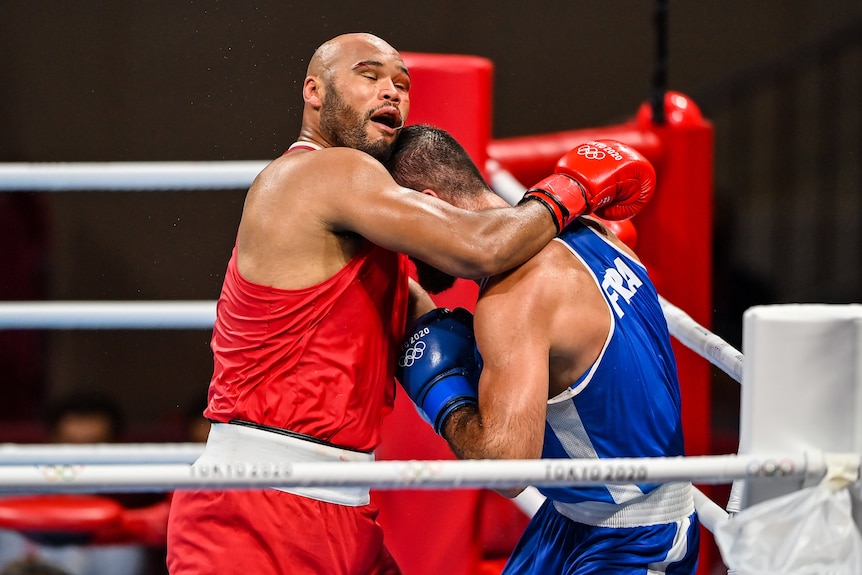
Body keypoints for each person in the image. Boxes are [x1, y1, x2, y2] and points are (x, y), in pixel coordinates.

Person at [165, 31, 655, 575]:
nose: (391, 92)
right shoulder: (322, 171)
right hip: (260, 504)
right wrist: (574, 189)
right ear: (314, 91)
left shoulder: (369, 242)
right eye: (368, 76)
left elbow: (432, 331)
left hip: (340, 502)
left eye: (402, 83)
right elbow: (485, 248)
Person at [390, 125, 700, 574]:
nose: (396, 245)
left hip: (634, 540)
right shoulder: (587, 229)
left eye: (395, 228)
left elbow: (507, 468)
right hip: (570, 521)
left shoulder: (516, 295)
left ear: (428, 203)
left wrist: (442, 393)